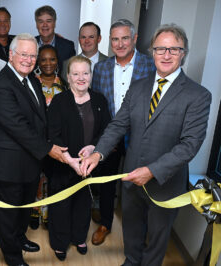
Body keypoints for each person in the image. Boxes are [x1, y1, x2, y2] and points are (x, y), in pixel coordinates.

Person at [81, 24, 211, 266]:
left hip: (165, 184)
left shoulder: (198, 95)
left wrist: (152, 171)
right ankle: (131, 260)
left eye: (174, 49)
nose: (166, 55)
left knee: (158, 236)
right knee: (131, 228)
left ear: (183, 53)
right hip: (131, 178)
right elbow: (119, 124)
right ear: (152, 52)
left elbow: (190, 145)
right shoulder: (139, 87)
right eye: (160, 49)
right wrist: (98, 153)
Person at [0, 33, 67, 266]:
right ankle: (12, 258)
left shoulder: (31, 79)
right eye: (24, 54)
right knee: (7, 215)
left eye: (33, 55)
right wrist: (48, 149)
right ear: (11, 55)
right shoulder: (1, 85)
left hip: (29, 163)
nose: (29, 60)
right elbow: (18, 126)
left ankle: (20, 239)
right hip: (7, 166)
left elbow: (40, 120)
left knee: (23, 209)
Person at [89, 19, 156, 246]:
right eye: (115, 39)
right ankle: (106, 223)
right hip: (112, 136)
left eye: (124, 38)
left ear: (134, 39)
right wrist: (105, 137)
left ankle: (141, 232)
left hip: (141, 137)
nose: (120, 44)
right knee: (108, 183)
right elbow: (97, 104)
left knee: (141, 184)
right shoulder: (101, 68)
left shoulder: (151, 65)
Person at [47, 55, 111, 261]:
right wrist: (69, 159)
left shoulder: (100, 100)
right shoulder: (59, 101)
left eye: (85, 73)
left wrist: (94, 148)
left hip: (89, 166)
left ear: (91, 75)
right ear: (68, 77)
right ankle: (59, 242)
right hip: (63, 164)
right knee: (61, 205)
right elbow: (52, 135)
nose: (81, 78)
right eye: (76, 73)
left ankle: (79, 237)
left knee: (84, 203)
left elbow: (107, 131)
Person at [29, 44, 66, 230]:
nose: (48, 63)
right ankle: (34, 211)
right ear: (38, 62)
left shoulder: (65, 84)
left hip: (57, 142)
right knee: (35, 177)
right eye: (43, 59)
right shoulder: (31, 83)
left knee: (52, 178)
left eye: (52, 59)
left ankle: (48, 213)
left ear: (57, 61)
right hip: (36, 140)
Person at [34, 5, 76, 71]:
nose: (45, 25)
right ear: (36, 24)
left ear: (54, 23)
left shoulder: (68, 47)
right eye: (41, 21)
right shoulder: (30, 44)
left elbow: (70, 73)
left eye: (48, 21)